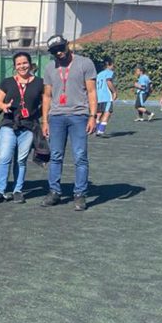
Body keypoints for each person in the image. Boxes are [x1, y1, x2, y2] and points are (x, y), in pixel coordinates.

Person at [41, 34, 97, 211]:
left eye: (61, 48)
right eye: (54, 51)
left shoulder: (85, 63)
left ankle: (80, 194)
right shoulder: (50, 68)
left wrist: (92, 116)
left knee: (80, 156)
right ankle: (54, 192)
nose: (58, 53)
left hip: (79, 116)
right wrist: (45, 120)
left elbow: (91, 92)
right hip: (56, 117)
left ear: (67, 45)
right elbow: (47, 95)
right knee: (56, 156)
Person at [0, 52, 44, 204]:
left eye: (25, 63)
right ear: (14, 66)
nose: (22, 66)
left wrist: (37, 115)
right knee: (4, 158)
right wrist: (4, 106)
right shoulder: (7, 82)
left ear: (30, 63)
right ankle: (0, 191)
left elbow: (46, 102)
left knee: (21, 160)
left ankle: (17, 190)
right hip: (9, 124)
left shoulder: (39, 82)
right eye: (19, 64)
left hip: (28, 127)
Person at [95, 58, 117, 136]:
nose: (114, 66)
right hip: (106, 96)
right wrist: (114, 92)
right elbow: (108, 81)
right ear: (109, 64)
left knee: (99, 113)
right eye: (113, 64)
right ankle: (101, 130)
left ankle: (96, 129)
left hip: (98, 96)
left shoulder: (99, 74)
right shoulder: (109, 72)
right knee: (107, 113)